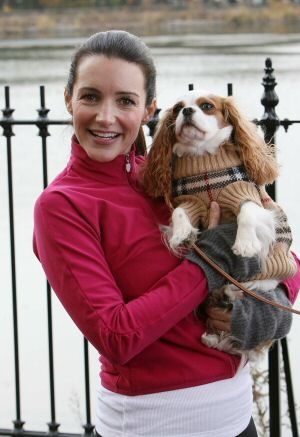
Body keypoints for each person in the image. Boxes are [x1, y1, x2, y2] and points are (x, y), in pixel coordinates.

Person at [33, 30, 300, 437]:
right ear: (68, 98)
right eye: (90, 96)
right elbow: (117, 335)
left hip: (237, 418)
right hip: (152, 425)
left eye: (125, 100)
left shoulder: (180, 177)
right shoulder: (62, 206)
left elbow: (285, 254)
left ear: (148, 110)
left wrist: (266, 308)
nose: (106, 116)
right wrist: (211, 260)